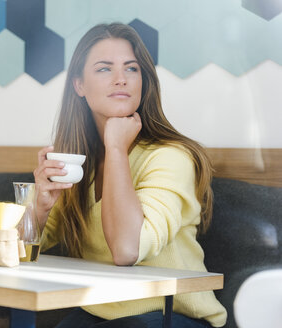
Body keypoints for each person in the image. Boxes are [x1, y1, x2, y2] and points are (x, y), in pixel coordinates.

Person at [33, 23, 227, 328]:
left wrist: (116, 149)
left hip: (171, 317)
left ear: (143, 81)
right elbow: (8, 254)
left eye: (131, 68)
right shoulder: (75, 163)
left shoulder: (171, 157)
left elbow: (126, 250)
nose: (121, 79)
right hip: (98, 313)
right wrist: (39, 208)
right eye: (104, 69)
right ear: (79, 86)